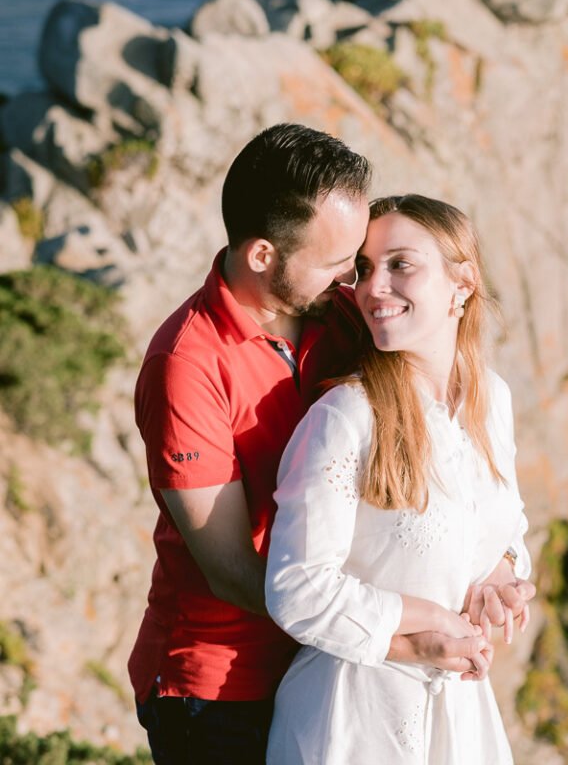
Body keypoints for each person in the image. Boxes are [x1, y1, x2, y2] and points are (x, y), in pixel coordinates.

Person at [128, 125, 510, 764]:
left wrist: (489, 559)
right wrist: (400, 639)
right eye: (339, 263)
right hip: (221, 683)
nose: (354, 282)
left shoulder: (336, 315)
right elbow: (234, 573)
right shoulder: (186, 365)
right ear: (262, 257)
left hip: (325, 659)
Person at [265, 194, 531, 764]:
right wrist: (423, 626)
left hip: (461, 721)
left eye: (400, 265)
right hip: (352, 722)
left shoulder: (492, 399)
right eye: (364, 268)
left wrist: (499, 576)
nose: (372, 287)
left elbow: (503, 521)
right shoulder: (347, 416)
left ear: (463, 283)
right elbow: (296, 588)